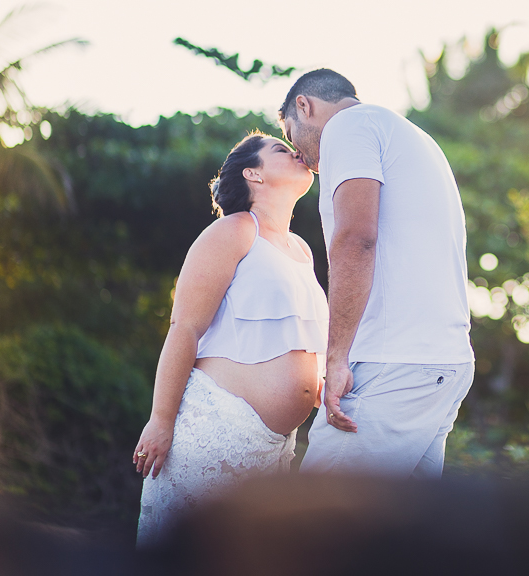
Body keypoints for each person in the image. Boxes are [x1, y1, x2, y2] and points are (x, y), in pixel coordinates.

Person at [132, 133, 327, 547]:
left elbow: (296, 342)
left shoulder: (302, 251)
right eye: (279, 148)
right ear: (252, 173)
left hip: (276, 449)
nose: (294, 152)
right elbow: (184, 327)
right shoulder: (234, 230)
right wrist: (161, 419)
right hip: (218, 428)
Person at [279, 68, 473, 478]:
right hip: (444, 361)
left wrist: (336, 358)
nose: (299, 155)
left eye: (292, 136)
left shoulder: (348, 126)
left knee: (319, 522)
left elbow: (356, 238)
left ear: (304, 106)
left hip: (393, 364)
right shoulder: (416, 138)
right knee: (400, 534)